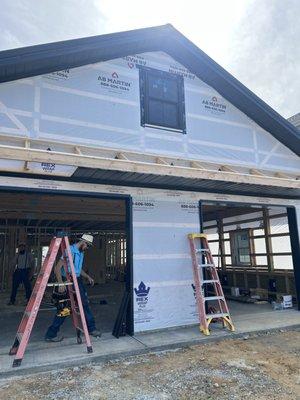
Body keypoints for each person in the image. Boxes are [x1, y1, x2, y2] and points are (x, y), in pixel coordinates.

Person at [45, 234, 101, 342]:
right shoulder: (69, 250)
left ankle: (91, 328)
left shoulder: (81, 252)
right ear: (83, 242)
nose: (87, 248)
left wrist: (88, 276)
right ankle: (51, 334)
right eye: (87, 246)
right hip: (67, 280)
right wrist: (61, 283)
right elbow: (57, 268)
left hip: (77, 280)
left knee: (84, 304)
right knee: (65, 309)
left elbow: (77, 270)